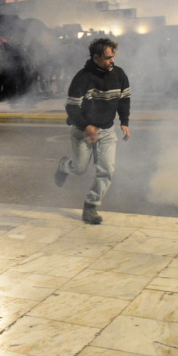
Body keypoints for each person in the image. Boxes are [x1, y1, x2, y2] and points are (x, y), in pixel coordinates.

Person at [54, 37, 131, 225]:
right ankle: (65, 166)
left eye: (113, 56)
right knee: (79, 169)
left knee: (106, 170)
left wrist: (124, 121)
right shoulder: (82, 78)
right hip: (82, 131)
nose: (112, 60)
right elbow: (72, 107)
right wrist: (86, 126)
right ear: (96, 57)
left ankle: (91, 205)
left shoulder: (119, 74)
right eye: (108, 57)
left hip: (106, 131)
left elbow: (124, 99)